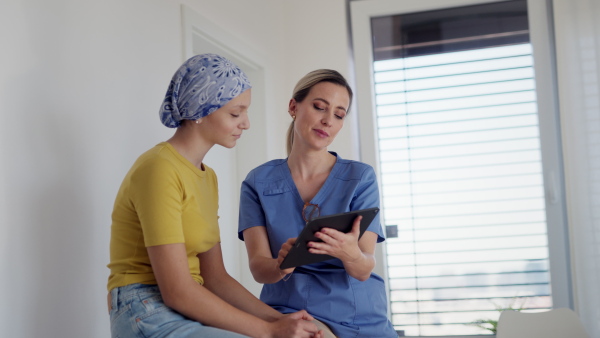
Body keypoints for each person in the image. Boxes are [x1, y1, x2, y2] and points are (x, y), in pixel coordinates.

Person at [107, 53, 323, 338]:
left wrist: (282, 320)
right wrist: (270, 332)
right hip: (143, 307)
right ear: (199, 110)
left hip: (187, 305)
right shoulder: (159, 168)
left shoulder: (207, 177)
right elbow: (176, 291)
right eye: (236, 113)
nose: (245, 123)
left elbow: (216, 278)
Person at [238, 69, 398, 337]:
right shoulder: (258, 182)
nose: (327, 121)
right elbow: (258, 267)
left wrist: (350, 253)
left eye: (338, 114)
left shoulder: (360, 178)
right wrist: (280, 264)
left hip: (357, 314)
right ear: (293, 107)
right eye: (319, 107)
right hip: (290, 312)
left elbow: (363, 268)